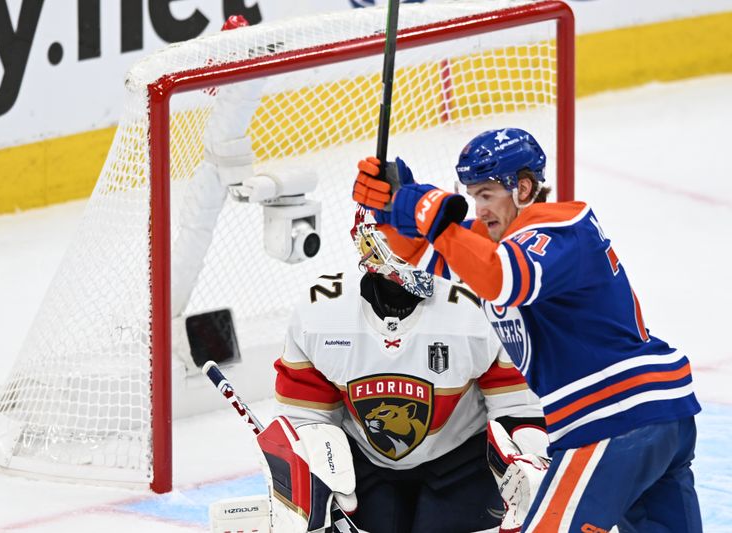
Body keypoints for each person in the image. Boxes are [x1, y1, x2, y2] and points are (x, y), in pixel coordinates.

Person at [352, 127, 702, 532]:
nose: (478, 209)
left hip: (615, 419)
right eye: (472, 195)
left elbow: (499, 277)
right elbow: (425, 254)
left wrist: (431, 216)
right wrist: (391, 208)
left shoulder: (561, 226)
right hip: (654, 415)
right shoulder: (501, 241)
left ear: (523, 187)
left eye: (486, 194)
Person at [265, 208, 548, 533]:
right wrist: (317, 481)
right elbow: (303, 421)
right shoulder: (321, 314)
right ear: (371, 245)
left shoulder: (479, 307)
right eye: (409, 238)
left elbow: (518, 410)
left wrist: (528, 470)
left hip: (463, 462)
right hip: (366, 467)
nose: (424, 249)